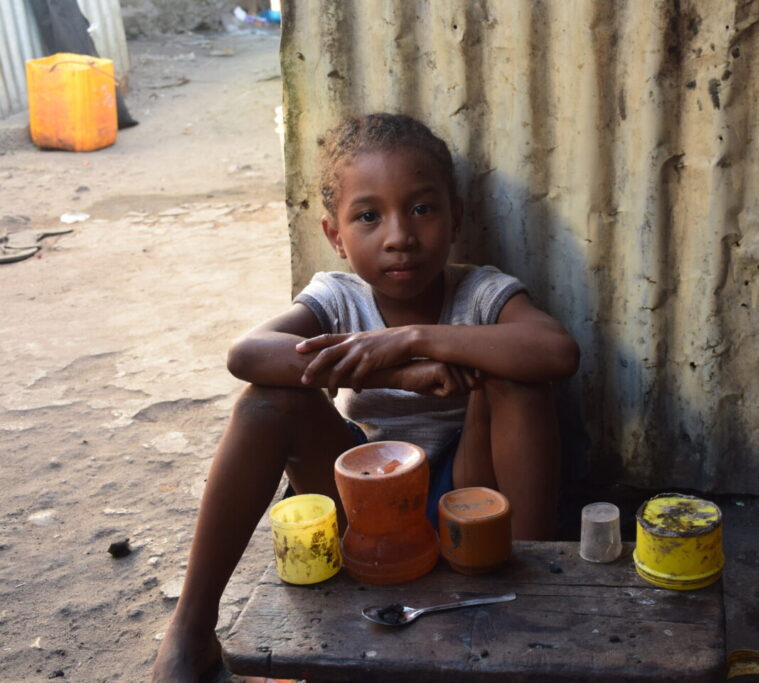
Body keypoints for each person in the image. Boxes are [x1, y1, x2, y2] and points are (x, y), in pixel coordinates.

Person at [151, 113, 580, 681]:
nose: (399, 235)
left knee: (517, 379)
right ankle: (191, 626)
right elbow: (247, 353)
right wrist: (397, 373)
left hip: (472, 497)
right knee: (265, 402)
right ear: (335, 234)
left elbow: (556, 351)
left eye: (423, 208)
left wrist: (411, 339)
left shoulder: (479, 292)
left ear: (457, 217)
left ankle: (527, 601)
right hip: (368, 500)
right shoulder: (336, 298)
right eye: (369, 216)